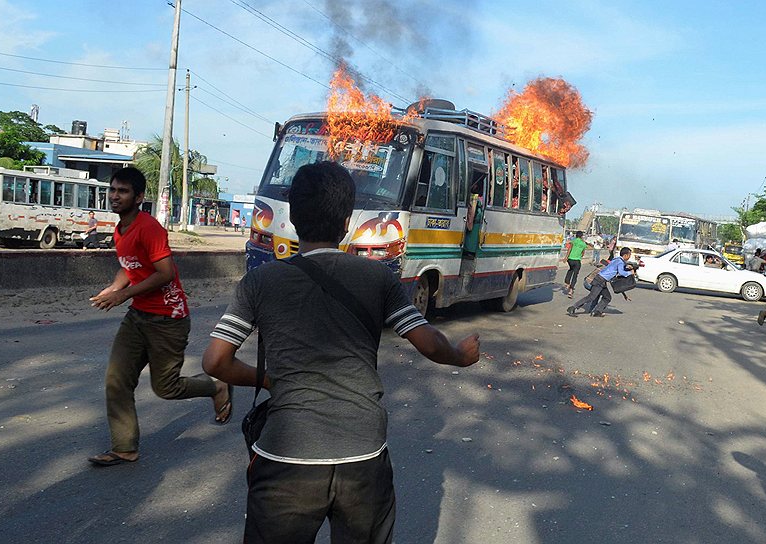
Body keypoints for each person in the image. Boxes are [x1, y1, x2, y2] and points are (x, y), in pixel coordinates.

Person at [201, 161, 480, 543]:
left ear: (294, 217)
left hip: (286, 456)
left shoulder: (260, 281)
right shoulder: (378, 277)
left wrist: (266, 379)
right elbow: (429, 342)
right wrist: (462, 355)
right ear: (347, 221)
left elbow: (215, 361)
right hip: (362, 456)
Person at [87, 167, 232, 467]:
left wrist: (122, 295)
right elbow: (129, 266)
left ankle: (216, 386)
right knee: (117, 380)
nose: (115, 196)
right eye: (113, 190)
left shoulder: (148, 227)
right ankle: (125, 447)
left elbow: (165, 274)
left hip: (168, 317)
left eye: (123, 191)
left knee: (166, 388)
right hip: (138, 315)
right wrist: (114, 288)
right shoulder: (120, 229)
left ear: (139, 197)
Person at [567, 247, 635, 317]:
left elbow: (616, 275)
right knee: (591, 297)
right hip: (599, 280)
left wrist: (626, 267)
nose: (629, 257)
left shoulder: (616, 259)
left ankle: (597, 312)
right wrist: (630, 273)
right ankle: (573, 308)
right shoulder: (620, 262)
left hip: (601, 280)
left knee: (607, 297)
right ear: (626, 255)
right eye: (629, 255)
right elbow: (622, 272)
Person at [564, 231, 587, 298]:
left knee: (570, 270)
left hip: (570, 259)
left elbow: (569, 249)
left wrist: (566, 257)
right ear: (582, 236)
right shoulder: (583, 244)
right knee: (575, 275)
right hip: (577, 261)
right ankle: (571, 290)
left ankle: (567, 283)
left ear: (576, 235)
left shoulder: (573, 241)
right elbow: (583, 254)